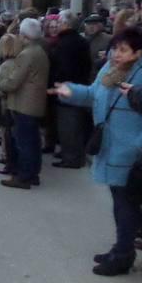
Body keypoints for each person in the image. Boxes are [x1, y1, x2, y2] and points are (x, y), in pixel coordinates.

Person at [50, 27, 142, 275]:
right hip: (111, 146)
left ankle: (123, 255)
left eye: (123, 50)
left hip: (128, 151)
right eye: (114, 48)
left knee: (125, 205)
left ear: (137, 52)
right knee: (120, 203)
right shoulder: (110, 70)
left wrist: (137, 146)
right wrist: (71, 91)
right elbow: (92, 94)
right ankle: (121, 248)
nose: (116, 54)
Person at [0, 18, 49, 190]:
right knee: (32, 142)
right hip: (35, 102)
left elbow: (14, 81)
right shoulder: (40, 51)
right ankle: (32, 174)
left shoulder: (26, 54)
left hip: (24, 104)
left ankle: (23, 176)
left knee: (24, 142)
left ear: (23, 35)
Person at [50, 10, 91, 169]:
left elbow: (64, 67)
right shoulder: (80, 41)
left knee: (69, 124)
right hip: (79, 85)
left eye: (59, 22)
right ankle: (71, 152)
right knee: (73, 123)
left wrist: (57, 82)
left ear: (66, 24)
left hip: (67, 87)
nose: (57, 25)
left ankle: (72, 157)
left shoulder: (66, 43)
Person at [0, 34, 23, 177]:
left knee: (8, 135)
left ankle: (9, 163)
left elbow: (5, 88)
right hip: (19, 104)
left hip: (8, 105)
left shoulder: (5, 66)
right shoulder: (19, 62)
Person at [84, 13, 111, 82]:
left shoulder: (107, 39)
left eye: (94, 24)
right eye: (89, 24)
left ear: (99, 26)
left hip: (100, 76)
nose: (91, 27)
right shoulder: (82, 39)